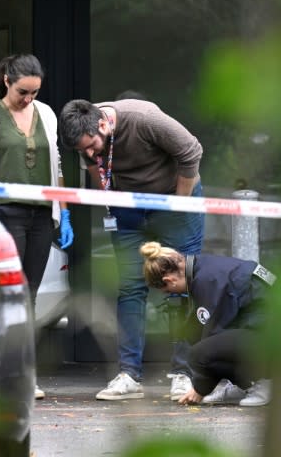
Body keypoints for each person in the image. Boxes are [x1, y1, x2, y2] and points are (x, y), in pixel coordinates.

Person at [59, 97, 205, 401]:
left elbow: (192, 151)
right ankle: (129, 374)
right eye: (81, 150)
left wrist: (179, 204)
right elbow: (94, 166)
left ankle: (183, 372)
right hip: (128, 207)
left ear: (103, 124)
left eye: (91, 145)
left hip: (174, 199)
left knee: (180, 283)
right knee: (130, 287)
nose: (88, 153)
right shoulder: (85, 134)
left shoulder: (144, 118)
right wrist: (110, 201)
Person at [0, 53, 74, 400]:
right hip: (3, 215)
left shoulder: (47, 115)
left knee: (28, 296)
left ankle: (23, 373)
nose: (28, 99)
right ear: (7, 81)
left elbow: (55, 162)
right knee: (3, 295)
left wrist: (64, 211)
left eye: (35, 93)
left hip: (41, 216)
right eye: (23, 92)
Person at [139, 241, 273, 407]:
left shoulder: (207, 280)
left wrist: (200, 389)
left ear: (170, 280)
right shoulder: (203, 267)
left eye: (167, 291)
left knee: (199, 354)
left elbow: (214, 336)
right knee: (193, 332)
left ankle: (262, 383)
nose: (170, 294)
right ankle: (243, 385)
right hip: (269, 328)